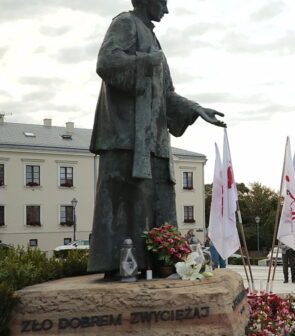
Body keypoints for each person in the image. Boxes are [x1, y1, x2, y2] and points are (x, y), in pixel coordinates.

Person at [88, 0, 226, 277]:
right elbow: (107, 63)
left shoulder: (151, 36)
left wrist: (196, 108)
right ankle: (121, 267)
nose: (166, 10)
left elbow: (167, 94)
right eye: (162, 2)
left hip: (153, 140)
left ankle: (162, 263)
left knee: (158, 200)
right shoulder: (125, 23)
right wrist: (144, 60)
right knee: (126, 201)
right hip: (127, 136)